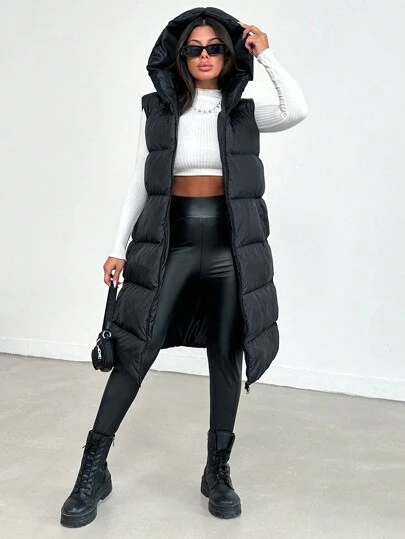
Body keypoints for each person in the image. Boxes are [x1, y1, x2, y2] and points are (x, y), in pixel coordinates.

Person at [60, 7, 308, 528]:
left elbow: (296, 109)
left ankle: (217, 470)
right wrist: (117, 246)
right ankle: (93, 469)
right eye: (194, 49)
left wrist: (267, 55)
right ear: (180, 56)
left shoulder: (243, 113)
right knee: (136, 348)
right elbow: (140, 179)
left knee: (226, 352)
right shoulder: (159, 110)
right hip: (171, 241)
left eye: (215, 47)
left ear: (229, 54)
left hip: (228, 246)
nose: (204, 56)